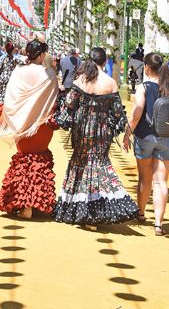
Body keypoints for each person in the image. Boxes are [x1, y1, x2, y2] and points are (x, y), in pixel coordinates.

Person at [54, 47, 138, 226]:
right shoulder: (111, 82)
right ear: (104, 62)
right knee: (99, 164)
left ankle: (76, 207)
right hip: (102, 132)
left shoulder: (81, 80)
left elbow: (69, 104)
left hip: (82, 129)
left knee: (79, 163)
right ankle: (97, 208)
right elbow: (117, 113)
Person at [123, 52, 169, 235]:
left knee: (145, 178)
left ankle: (141, 213)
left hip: (145, 137)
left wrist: (128, 134)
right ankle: (158, 224)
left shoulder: (144, 87)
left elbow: (136, 114)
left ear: (146, 68)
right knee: (161, 181)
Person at [0, 39, 59, 219]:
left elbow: (10, 97)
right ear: (41, 55)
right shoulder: (49, 74)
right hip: (41, 126)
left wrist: (16, 118)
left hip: (20, 125)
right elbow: (53, 101)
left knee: (24, 159)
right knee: (39, 159)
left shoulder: (18, 72)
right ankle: (36, 202)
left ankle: (25, 205)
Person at [0, 42, 20, 114]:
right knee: (10, 95)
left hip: (3, 78)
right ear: (13, 50)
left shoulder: (3, 58)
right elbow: (23, 63)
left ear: (5, 50)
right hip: (12, 78)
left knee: (0, 94)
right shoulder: (15, 59)